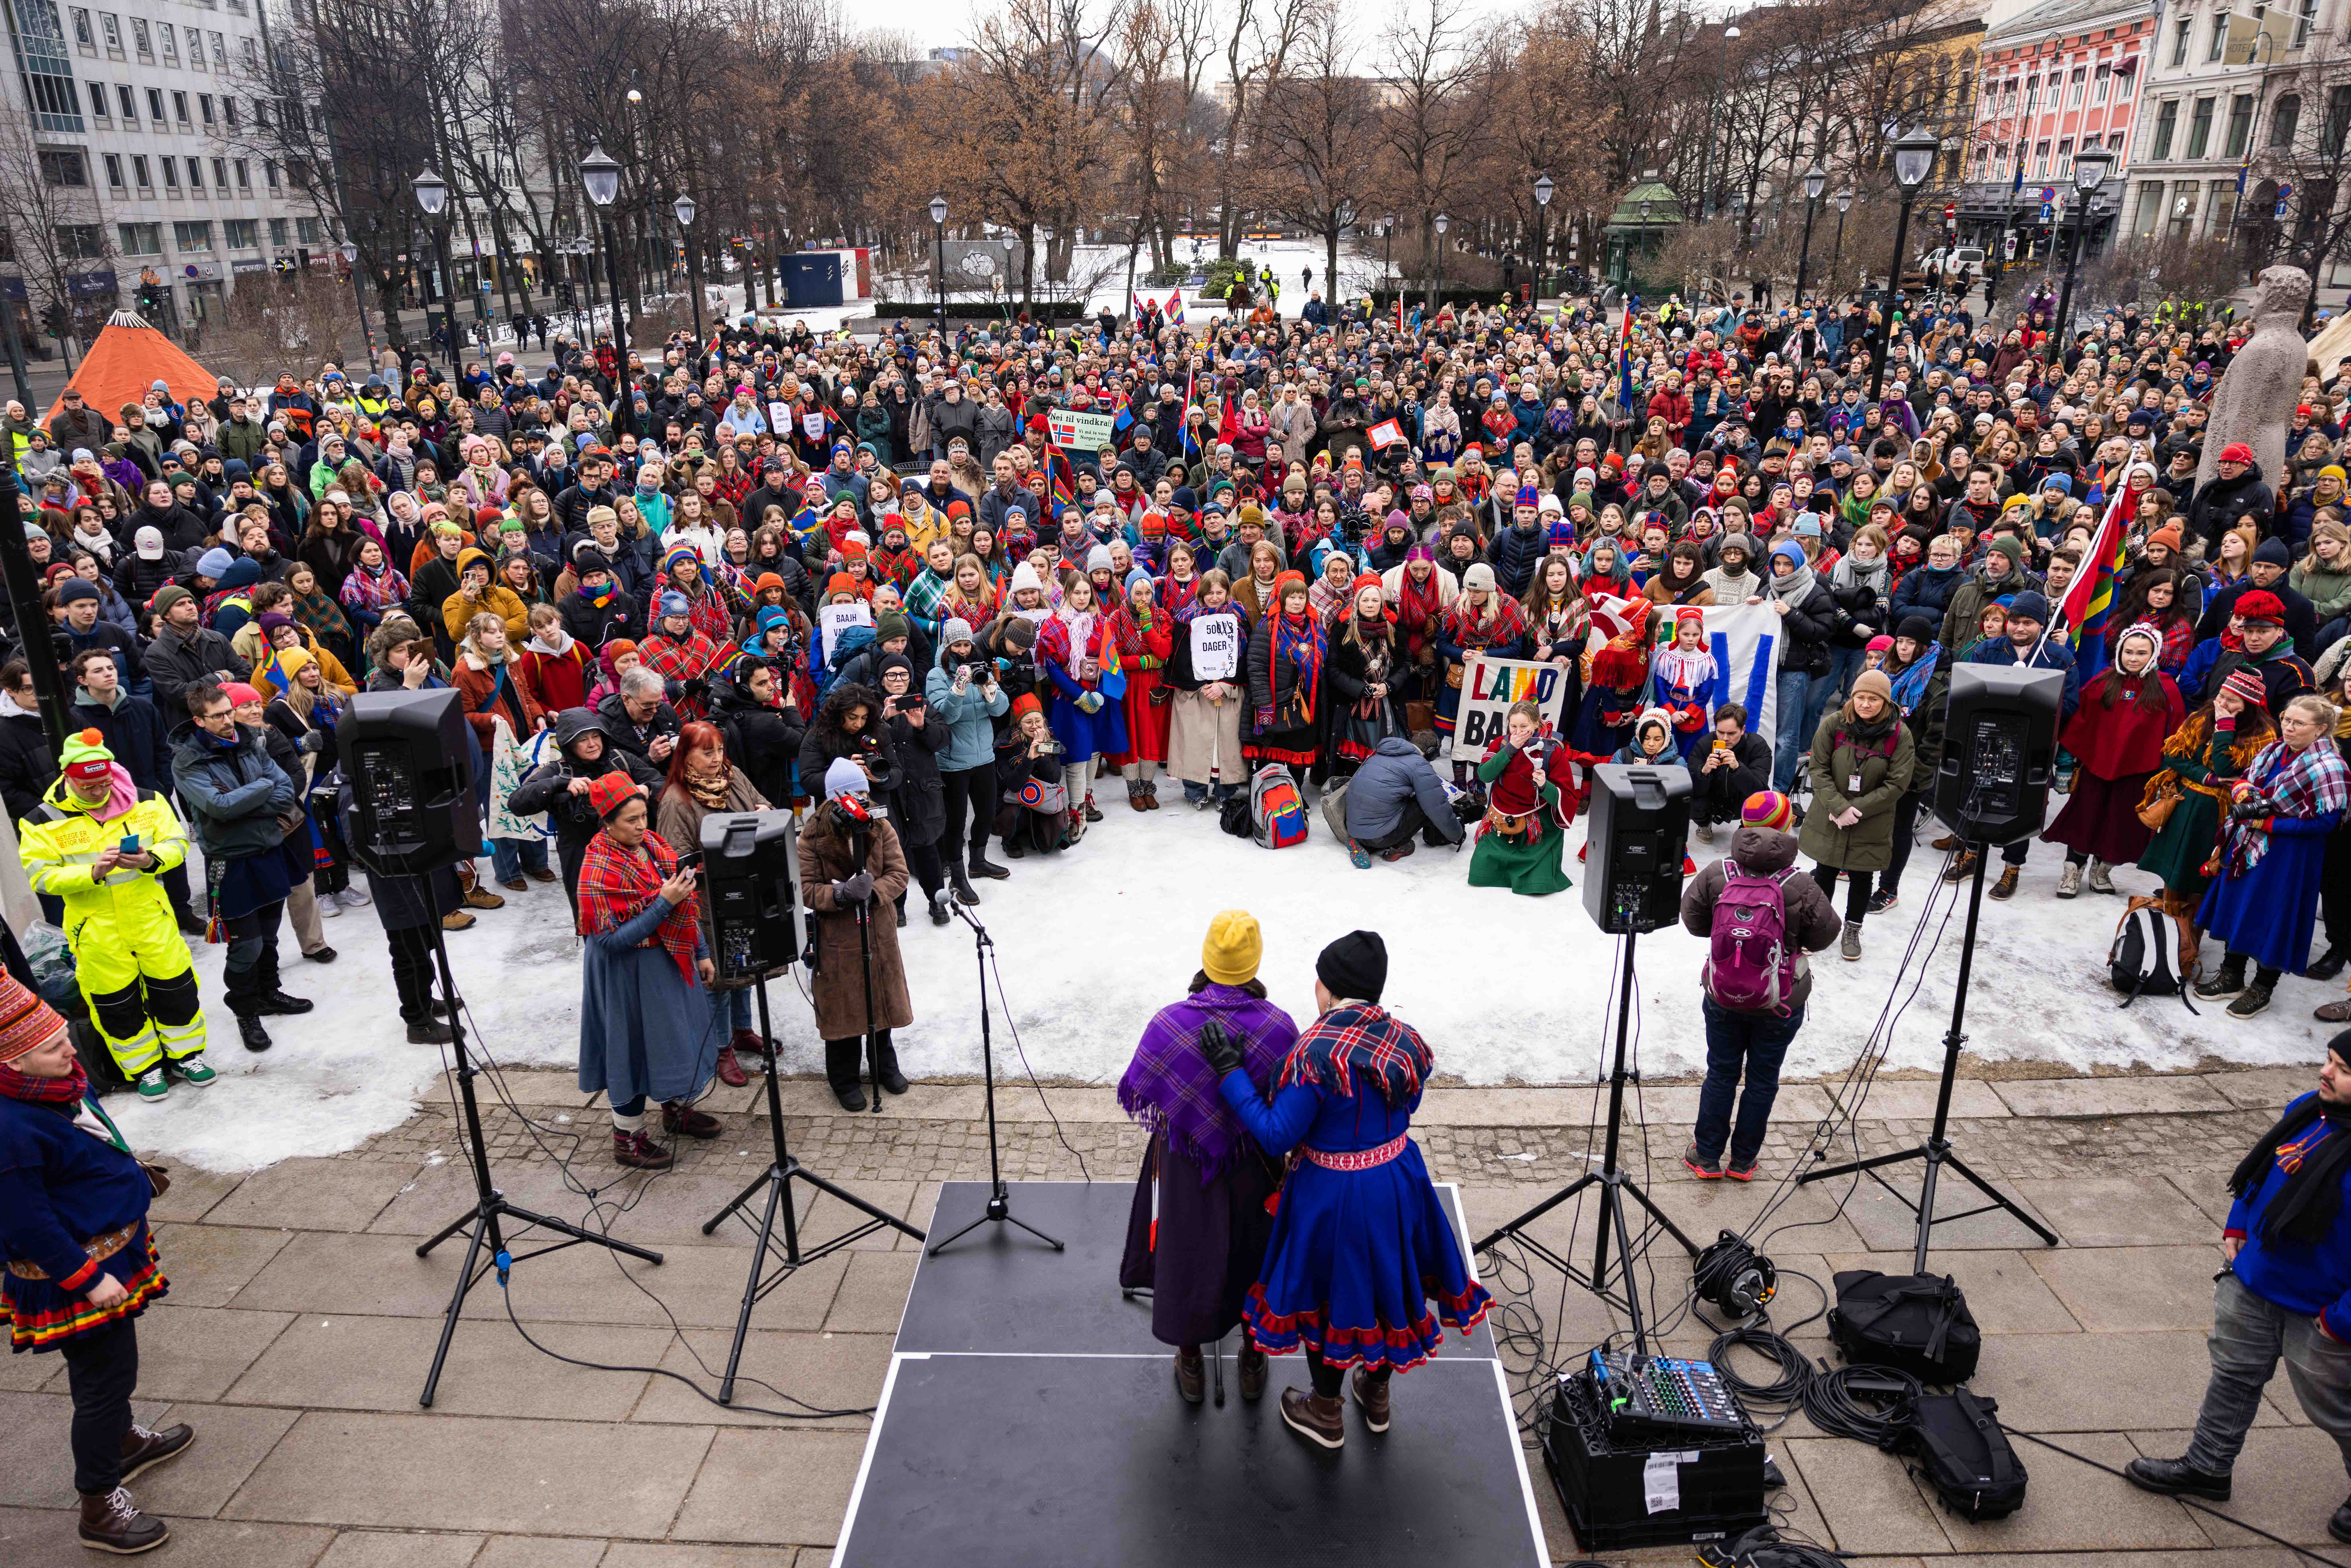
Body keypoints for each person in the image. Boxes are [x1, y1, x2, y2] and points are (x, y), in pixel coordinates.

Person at [1205, 929, 1493, 1449]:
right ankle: (1376, 1394)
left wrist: (1231, 1073)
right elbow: (1410, 1103)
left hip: (1331, 1194)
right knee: (1390, 1285)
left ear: (1329, 988)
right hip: (1398, 1179)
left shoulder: (1314, 1052)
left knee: (1326, 1299)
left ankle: (1323, 1408)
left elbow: (1276, 1132)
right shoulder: (1404, 1038)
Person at [2125, 1033, 2351, 1546]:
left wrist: (2341, 1320)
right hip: (2254, 1282)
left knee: (2336, 1409)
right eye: (2328, 1059)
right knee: (2232, 1374)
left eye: (2341, 1068)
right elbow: (2259, 1177)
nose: (2324, 1072)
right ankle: (2207, 1466)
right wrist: (2237, 1226)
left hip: (2323, 1312)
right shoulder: (2307, 1111)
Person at [0, 973, 190, 1554]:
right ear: (13, 1060)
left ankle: (123, 1444)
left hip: (108, 1250)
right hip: (77, 1276)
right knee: (104, 1382)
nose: (72, 1048)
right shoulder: (9, 1129)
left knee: (113, 1372)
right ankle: (99, 1504)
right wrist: (88, 1278)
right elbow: (27, 1225)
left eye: (65, 1035)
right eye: (55, 1044)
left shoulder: (51, 1084)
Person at [1115, 911, 1293, 1404]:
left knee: (1183, 1249)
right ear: (1254, 961)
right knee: (1255, 1254)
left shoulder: (1169, 1022)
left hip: (1182, 1161)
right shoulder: (1278, 1026)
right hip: (1253, 1164)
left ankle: (1190, 1360)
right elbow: (1288, 1104)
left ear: (1207, 958)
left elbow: (1140, 1086)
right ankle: (1253, 1357)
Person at [18, 729, 209, 1100]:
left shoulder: (148, 800)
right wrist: (91, 873)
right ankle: (145, 1069)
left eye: (104, 782)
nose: (99, 791)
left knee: (176, 989)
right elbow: (41, 876)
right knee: (115, 1003)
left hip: (151, 917)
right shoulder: (42, 819)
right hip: (95, 929)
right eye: (88, 785)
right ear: (68, 778)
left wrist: (151, 859)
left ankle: (188, 1056)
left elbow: (177, 841)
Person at [1679, 791, 1843, 1178]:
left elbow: (1693, 919)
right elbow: (1827, 933)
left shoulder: (1719, 873)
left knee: (1721, 1072)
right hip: (1779, 998)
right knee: (1763, 1077)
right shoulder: (1800, 883)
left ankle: (1706, 1155)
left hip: (1723, 993)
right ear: (1787, 827)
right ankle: (1743, 1160)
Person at [574, 770, 720, 1171]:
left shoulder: (654, 846)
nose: (641, 827)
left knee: (676, 1039)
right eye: (630, 821)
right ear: (607, 822)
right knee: (632, 1051)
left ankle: (676, 1110)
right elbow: (609, 941)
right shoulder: (596, 868)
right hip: (626, 977)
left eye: (644, 816)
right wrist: (663, 903)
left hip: (669, 964)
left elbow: (686, 903)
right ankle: (628, 1138)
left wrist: (702, 951)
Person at [170, 682, 308, 1053]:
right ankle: (246, 1010)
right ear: (199, 721)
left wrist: (253, 796)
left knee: (270, 934)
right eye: (219, 716)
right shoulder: (187, 761)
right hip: (230, 862)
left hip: (269, 851)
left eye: (230, 711)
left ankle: (269, 992)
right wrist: (263, 790)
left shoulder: (251, 741)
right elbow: (219, 808)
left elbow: (285, 792)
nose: (230, 720)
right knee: (245, 944)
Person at [2196, 692, 2350, 1019]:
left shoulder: (2330, 767)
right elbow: (2247, 782)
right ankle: (2231, 975)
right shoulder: (2272, 751)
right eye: (2285, 719)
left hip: (2291, 855)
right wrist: (2242, 791)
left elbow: (2325, 822)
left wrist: (2268, 822)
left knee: (2274, 917)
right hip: (2251, 845)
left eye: (2298, 723)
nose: (2288, 728)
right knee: (2239, 906)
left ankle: (2262, 989)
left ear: (2321, 729)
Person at [653, 720, 769, 1086]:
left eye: (719, 750)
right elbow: (677, 861)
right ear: (685, 755)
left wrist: (764, 813)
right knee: (718, 979)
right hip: (706, 903)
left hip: (744, 890)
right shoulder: (676, 800)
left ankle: (742, 1030)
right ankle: (721, 1049)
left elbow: (762, 803)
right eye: (707, 753)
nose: (717, 759)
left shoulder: (733, 778)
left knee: (746, 964)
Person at [800, 758, 913, 1111]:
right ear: (834, 798)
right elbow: (805, 889)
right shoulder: (812, 836)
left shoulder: (881, 826)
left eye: (864, 791)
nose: (860, 799)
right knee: (845, 1011)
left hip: (877, 931)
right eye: (852, 794)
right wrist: (840, 895)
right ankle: (844, 1079)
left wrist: (874, 891)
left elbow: (899, 873)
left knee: (880, 1002)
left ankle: (884, 1066)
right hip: (838, 936)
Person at [2044, 623, 2186, 897]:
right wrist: (2065, 763)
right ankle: (2073, 871)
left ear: (2153, 655)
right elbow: (2078, 724)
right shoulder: (2102, 683)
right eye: (2128, 652)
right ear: (2119, 652)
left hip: (2139, 772)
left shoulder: (2167, 689)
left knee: (2119, 826)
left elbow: (2176, 735)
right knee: (2084, 820)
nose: (2133, 658)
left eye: (2141, 653)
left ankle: (2102, 870)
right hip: (2096, 768)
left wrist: (2167, 775)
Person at [1798, 668, 1917, 960]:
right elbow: (1819, 769)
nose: (1865, 704)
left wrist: (1856, 810)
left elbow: (1897, 783)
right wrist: (1838, 807)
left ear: (1886, 703)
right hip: (1830, 813)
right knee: (1824, 871)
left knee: (1862, 877)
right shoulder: (1833, 724)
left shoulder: (1900, 735)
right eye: (1860, 697)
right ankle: (1818, 927)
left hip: (1871, 819)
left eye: (1873, 699)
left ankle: (1852, 928)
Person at [926, 616, 1008, 897]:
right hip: (953, 762)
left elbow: (999, 711)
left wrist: (991, 692)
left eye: (966, 644)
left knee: (986, 814)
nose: (963, 649)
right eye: (957, 644)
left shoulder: (980, 668)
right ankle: (957, 877)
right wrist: (957, 690)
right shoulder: (936, 676)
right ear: (948, 646)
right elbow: (946, 716)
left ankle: (978, 861)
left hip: (984, 756)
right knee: (956, 822)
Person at [1468, 698, 1574, 896]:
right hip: (1501, 813)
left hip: (1537, 822)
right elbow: (1485, 775)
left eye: (1524, 727)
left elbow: (1566, 796)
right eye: (1513, 726)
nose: (1518, 732)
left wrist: (1544, 786)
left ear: (1536, 724)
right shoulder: (1500, 744)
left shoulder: (1553, 750)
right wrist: (1509, 750)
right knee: (1480, 874)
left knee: (1537, 885)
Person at [1333, 735, 1464, 865]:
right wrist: (1457, 835)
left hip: (1354, 829)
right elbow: (1437, 807)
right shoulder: (1419, 766)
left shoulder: (1378, 755)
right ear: (1430, 753)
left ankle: (1364, 844)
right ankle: (1398, 847)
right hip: (1379, 836)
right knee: (1427, 804)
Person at [1689, 702, 1773, 842]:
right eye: (1721, 732)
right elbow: (1690, 786)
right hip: (1713, 799)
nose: (1725, 738)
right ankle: (1704, 823)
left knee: (1766, 802)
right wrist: (1703, 772)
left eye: (1732, 733)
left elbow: (1760, 789)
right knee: (1687, 798)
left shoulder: (1758, 746)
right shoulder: (1704, 744)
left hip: (1740, 800)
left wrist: (1738, 768)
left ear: (1743, 730)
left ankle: (1746, 829)